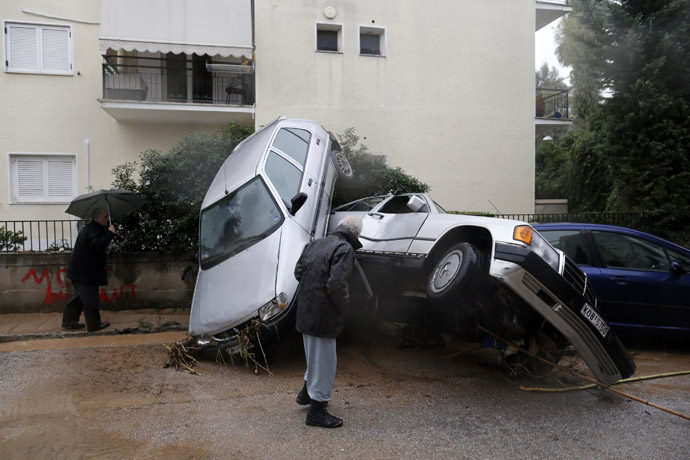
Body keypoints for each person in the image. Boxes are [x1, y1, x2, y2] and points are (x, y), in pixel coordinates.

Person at [293, 216, 363, 428]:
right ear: (356, 234)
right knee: (325, 363)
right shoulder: (344, 249)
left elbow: (298, 273)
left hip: (306, 311)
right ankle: (317, 412)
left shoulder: (314, 244)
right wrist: (346, 308)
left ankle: (306, 393)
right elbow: (337, 284)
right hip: (324, 316)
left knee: (314, 356)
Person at [61, 207, 118, 332]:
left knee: (79, 298)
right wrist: (109, 233)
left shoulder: (92, 228)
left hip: (80, 271)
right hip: (85, 273)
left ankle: (69, 322)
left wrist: (110, 232)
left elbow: (97, 241)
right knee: (90, 299)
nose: (107, 219)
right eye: (105, 216)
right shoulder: (93, 229)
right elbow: (97, 245)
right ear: (97, 218)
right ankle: (94, 325)